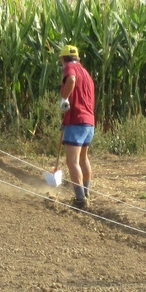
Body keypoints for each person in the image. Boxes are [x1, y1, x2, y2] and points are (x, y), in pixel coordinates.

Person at [59, 44, 96, 209]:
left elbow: (71, 79)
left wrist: (64, 99)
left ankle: (80, 199)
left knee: (72, 161)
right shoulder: (86, 73)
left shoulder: (69, 67)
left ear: (63, 58)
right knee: (83, 158)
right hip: (89, 121)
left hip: (77, 122)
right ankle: (86, 193)